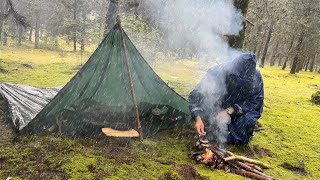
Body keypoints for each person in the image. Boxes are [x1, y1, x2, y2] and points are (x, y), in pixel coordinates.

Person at [188, 52, 264, 145]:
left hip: (239, 111)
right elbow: (195, 95)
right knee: (208, 126)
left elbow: (256, 102)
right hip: (217, 106)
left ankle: (236, 132)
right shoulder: (216, 72)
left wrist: (231, 110)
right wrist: (197, 118)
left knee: (241, 135)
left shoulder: (256, 78)